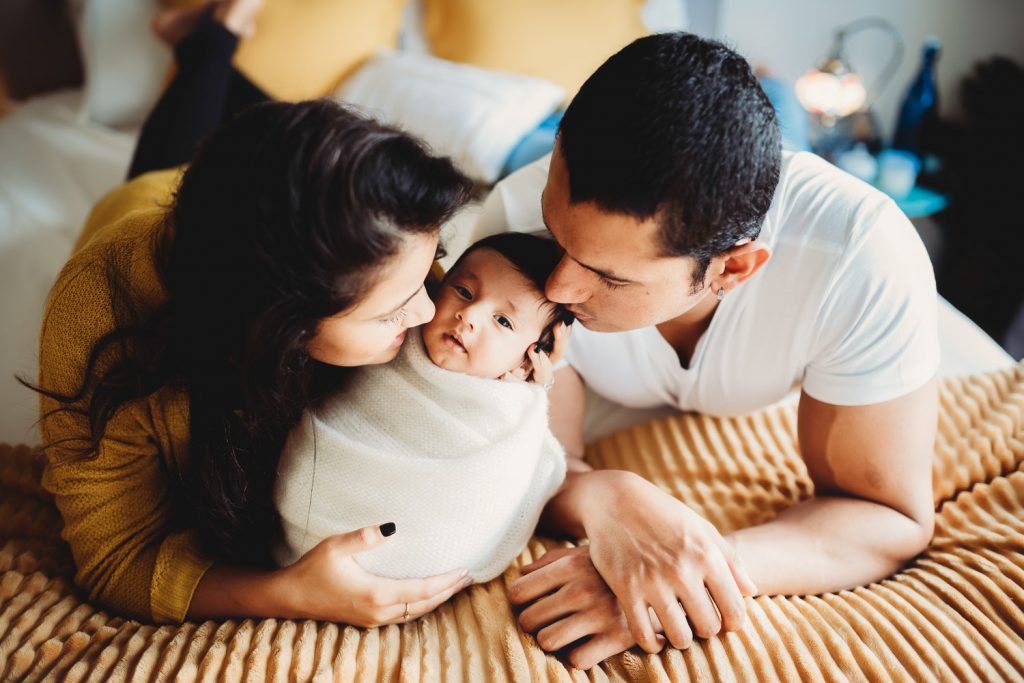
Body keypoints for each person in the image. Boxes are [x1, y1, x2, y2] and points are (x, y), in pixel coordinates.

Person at [28, 0, 499, 626]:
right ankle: (208, 36)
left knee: (234, 141)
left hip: (235, 192)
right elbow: (115, 558)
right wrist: (288, 593)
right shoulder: (101, 312)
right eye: (390, 313)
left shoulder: (385, 253)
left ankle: (211, 40)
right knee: (164, 162)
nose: (428, 310)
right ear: (281, 329)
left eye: (429, 271)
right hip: (143, 206)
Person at [478, 33, 938, 669]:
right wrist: (611, 497)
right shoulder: (510, 221)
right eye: (557, 238)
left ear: (734, 269)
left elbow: (888, 515)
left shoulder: (861, 254)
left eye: (608, 277)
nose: (555, 288)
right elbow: (531, 461)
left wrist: (689, 571)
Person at [274, 233, 572, 584]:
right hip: (312, 511)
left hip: (406, 551)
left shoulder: (511, 410)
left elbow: (514, 479)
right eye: (463, 291)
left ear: (527, 359)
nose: (469, 315)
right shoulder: (391, 340)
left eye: (503, 321)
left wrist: (534, 393)